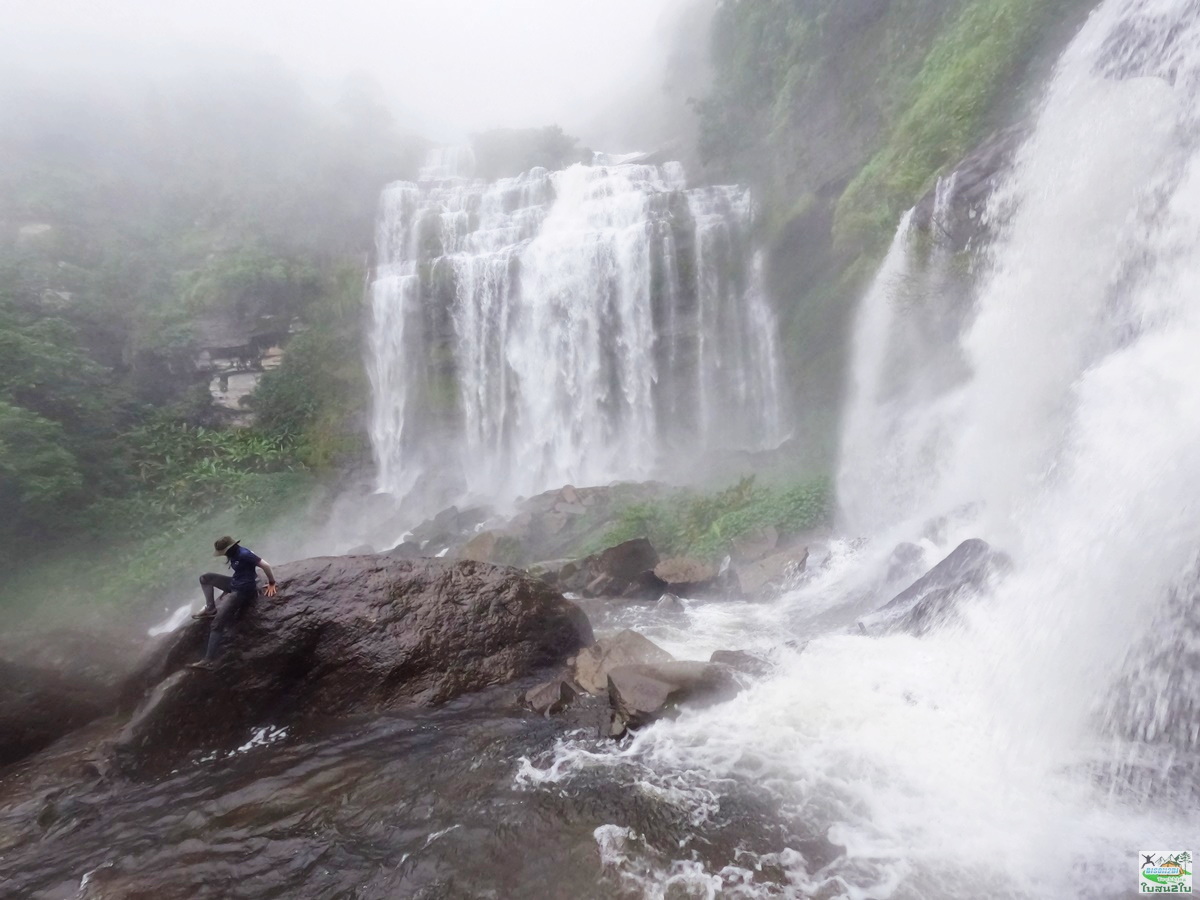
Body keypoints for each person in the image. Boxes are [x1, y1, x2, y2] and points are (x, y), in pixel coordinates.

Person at [188, 536, 278, 671]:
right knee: (205, 578)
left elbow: (265, 565)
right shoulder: (234, 554)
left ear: (229, 548)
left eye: (223, 552)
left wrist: (271, 583)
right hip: (235, 584)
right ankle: (210, 609)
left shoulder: (244, 554)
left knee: (217, 624)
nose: (223, 555)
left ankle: (208, 661)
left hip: (243, 590)